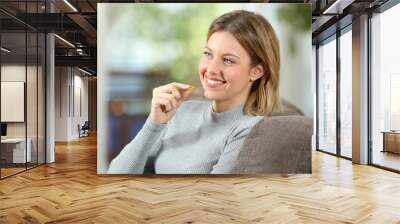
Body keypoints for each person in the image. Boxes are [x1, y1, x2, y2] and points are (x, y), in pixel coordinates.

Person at [107, 9, 281, 174]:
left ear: (256, 71)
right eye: (208, 54)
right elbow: (115, 175)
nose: (211, 69)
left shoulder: (251, 129)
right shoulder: (183, 110)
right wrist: (154, 123)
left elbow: (215, 198)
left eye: (228, 60)